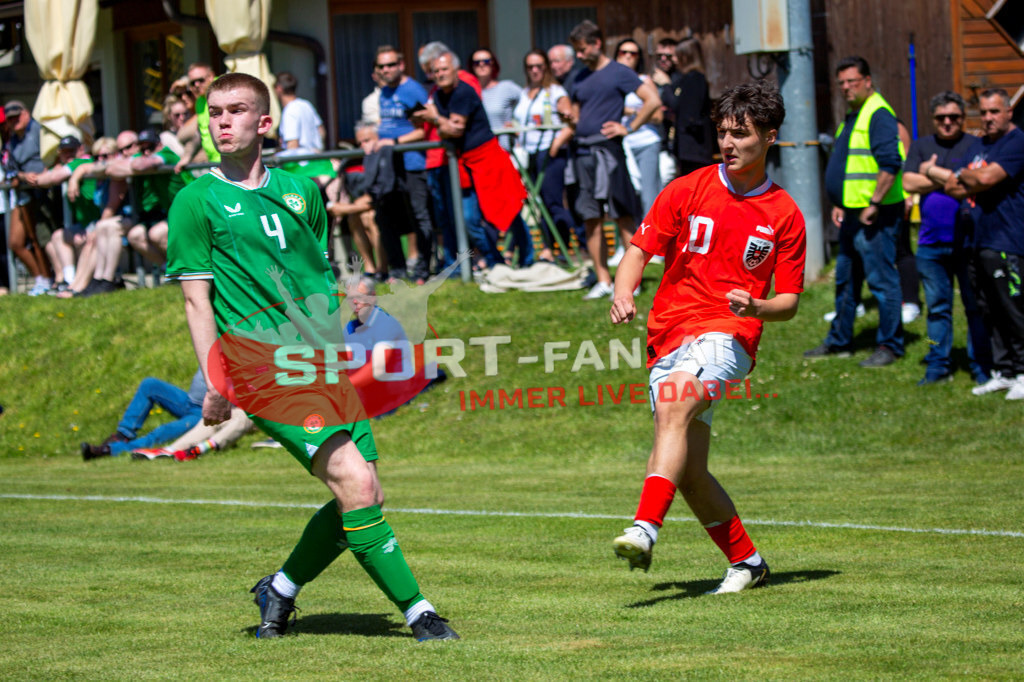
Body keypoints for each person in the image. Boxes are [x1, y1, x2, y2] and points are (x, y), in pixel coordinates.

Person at [165, 72, 458, 641]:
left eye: (236, 110)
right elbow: (196, 302)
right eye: (215, 112)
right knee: (354, 480)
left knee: (367, 491)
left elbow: (316, 273)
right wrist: (215, 380)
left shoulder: (302, 190)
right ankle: (422, 615)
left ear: (264, 122)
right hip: (263, 368)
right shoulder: (194, 201)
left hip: (325, 363)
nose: (222, 121)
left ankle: (279, 590)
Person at [608, 80, 806, 592]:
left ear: (769, 136)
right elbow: (638, 249)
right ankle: (748, 563)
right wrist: (623, 292)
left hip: (728, 334)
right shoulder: (689, 188)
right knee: (690, 471)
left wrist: (758, 305)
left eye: (740, 134)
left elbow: (788, 302)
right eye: (723, 132)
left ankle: (645, 526)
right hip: (668, 333)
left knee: (674, 409)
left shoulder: (785, 213)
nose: (729, 143)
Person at [805, 56, 905, 367]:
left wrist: (874, 202)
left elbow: (891, 163)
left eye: (852, 81)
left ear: (868, 81)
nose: (847, 88)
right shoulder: (853, 114)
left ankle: (890, 345)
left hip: (875, 215)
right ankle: (840, 340)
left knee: (882, 281)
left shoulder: (878, 114)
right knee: (846, 280)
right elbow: (850, 165)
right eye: (842, 83)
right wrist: (839, 201)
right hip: (851, 212)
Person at [567, 20, 661, 299]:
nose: (579, 56)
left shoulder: (619, 72)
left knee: (623, 216)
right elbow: (575, 111)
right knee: (590, 218)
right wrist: (570, 119)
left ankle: (631, 282)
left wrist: (628, 127)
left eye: (583, 50)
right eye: (576, 51)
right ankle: (604, 280)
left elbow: (652, 101)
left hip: (609, 153)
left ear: (596, 44)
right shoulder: (579, 77)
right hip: (582, 153)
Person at [901, 91, 989, 385]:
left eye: (954, 117)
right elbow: (907, 181)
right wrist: (947, 177)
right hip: (930, 245)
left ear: (963, 118)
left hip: (968, 242)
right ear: (933, 119)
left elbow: (976, 181)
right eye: (942, 118)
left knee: (974, 306)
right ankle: (937, 364)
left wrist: (930, 171)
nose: (948, 122)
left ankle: (981, 366)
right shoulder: (922, 145)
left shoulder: (976, 145)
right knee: (937, 309)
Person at [419, 51, 533, 269]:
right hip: (466, 164)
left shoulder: (463, 92)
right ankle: (494, 261)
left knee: (508, 210)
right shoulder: (440, 95)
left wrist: (434, 118)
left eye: (444, 69)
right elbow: (446, 129)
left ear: (456, 70)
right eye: (436, 71)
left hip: (488, 158)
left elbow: (455, 129)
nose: (440, 74)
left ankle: (528, 259)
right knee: (470, 219)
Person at [944, 88, 1024, 400]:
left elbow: (988, 179)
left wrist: (968, 176)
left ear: (1008, 113)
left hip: (1007, 238)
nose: (988, 118)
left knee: (1013, 308)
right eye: (984, 112)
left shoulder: (1016, 142)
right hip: (977, 240)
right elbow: (953, 186)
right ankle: (1003, 371)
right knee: (987, 310)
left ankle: (1022, 370)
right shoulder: (979, 145)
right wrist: (969, 176)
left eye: (994, 112)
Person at [373, 45, 433, 282]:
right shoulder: (384, 92)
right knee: (385, 216)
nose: (386, 70)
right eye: (381, 66)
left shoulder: (413, 90)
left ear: (401, 65)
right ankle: (396, 270)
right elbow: (385, 125)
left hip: (412, 163)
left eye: (390, 65)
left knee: (419, 216)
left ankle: (423, 270)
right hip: (388, 165)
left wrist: (394, 141)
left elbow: (424, 130)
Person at [513, 49, 574, 263]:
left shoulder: (555, 91)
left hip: (548, 152)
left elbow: (570, 122)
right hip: (528, 152)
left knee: (552, 202)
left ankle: (566, 246)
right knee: (537, 204)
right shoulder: (524, 92)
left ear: (546, 67)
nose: (535, 70)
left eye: (539, 66)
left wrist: (555, 145)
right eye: (530, 67)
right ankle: (548, 248)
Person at [20, 135, 101, 294]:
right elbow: (43, 177)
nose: (68, 155)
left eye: (71, 151)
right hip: (84, 225)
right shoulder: (69, 165)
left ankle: (77, 284)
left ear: (81, 150)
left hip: (97, 223)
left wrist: (47, 176)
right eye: (64, 152)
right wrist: (30, 176)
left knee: (78, 240)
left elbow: (49, 178)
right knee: (56, 238)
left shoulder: (82, 162)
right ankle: (67, 280)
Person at [81, 370, 206, 460]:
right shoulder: (216, 342)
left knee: (162, 431)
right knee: (150, 385)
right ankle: (122, 435)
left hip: (207, 413)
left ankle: (111, 450)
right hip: (190, 402)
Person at [3, 100, 51, 295]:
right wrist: (22, 176)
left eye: (17, 116)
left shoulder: (40, 132)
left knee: (39, 237)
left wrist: (44, 175)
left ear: (26, 114)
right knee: (16, 242)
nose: (14, 121)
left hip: (43, 192)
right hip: (22, 193)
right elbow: (12, 169)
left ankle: (49, 279)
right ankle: (40, 279)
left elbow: (52, 156)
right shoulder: (12, 141)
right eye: (10, 119)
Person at [614, 38, 663, 219]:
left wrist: (629, 111)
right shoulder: (612, 81)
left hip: (645, 142)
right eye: (623, 52)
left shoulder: (644, 81)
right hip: (621, 143)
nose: (627, 57)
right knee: (625, 195)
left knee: (648, 195)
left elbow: (658, 115)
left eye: (632, 53)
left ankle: (651, 242)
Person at [662, 37, 715, 178]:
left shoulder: (694, 78)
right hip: (689, 147)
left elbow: (683, 108)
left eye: (676, 55)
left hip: (693, 147)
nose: (673, 59)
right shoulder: (687, 78)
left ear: (686, 56)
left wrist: (666, 86)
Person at [273, 70, 335, 186]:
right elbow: (321, 131)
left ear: (279, 88)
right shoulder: (306, 104)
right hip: (318, 160)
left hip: (302, 166)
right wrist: (317, 148)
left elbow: (293, 145)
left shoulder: (290, 110)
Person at [471, 48, 521, 151]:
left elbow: (529, 104)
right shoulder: (469, 92)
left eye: (486, 61)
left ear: (493, 64)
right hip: (479, 151)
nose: (481, 65)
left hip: (504, 150)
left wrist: (517, 126)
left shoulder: (507, 87)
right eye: (476, 62)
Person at [175, 63, 219, 171]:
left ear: (211, 76)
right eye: (193, 82)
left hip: (233, 161)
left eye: (200, 80)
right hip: (214, 163)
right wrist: (187, 157)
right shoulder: (199, 101)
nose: (197, 84)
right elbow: (200, 133)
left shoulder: (223, 88)